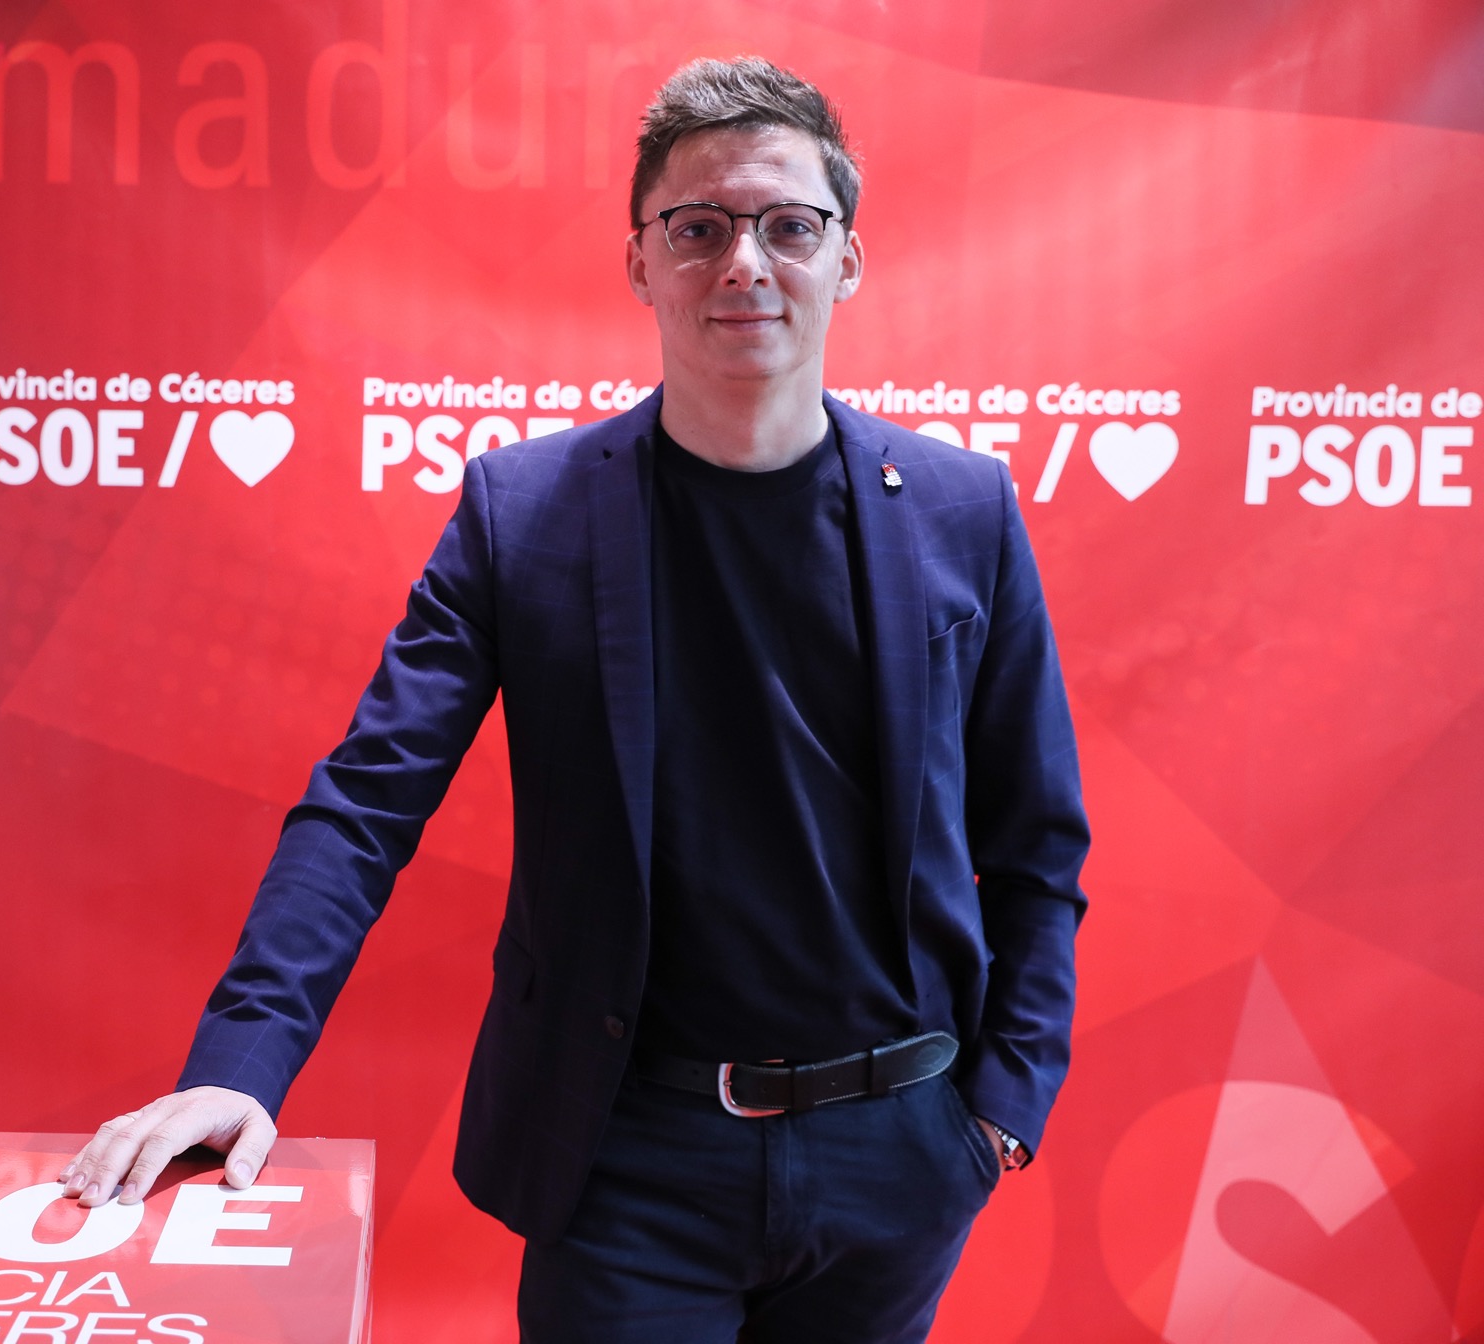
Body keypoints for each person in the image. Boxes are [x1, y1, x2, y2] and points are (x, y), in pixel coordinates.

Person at [60, 56, 1089, 1341]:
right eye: (698, 228)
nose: (744, 264)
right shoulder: (525, 515)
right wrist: (240, 1064)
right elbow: (366, 806)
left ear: (848, 259)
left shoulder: (961, 512)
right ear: (641, 262)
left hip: (899, 1153)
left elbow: (1036, 846)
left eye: (788, 226)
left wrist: (1001, 1112)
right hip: (630, 1159)